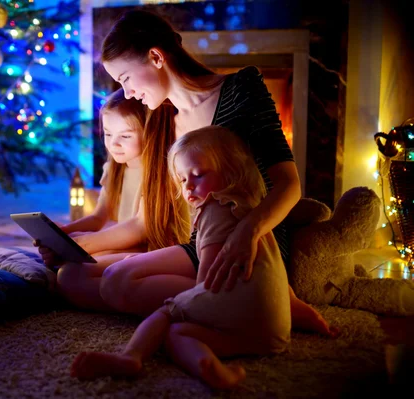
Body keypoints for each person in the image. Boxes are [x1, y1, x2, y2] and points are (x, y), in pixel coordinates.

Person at [96, 9, 335, 336]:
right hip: (201, 246)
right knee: (106, 282)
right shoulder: (164, 121)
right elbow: (154, 217)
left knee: (118, 285)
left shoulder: (241, 89)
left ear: (155, 56)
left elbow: (289, 185)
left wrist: (246, 233)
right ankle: (250, 303)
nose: (126, 93)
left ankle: (266, 296)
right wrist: (82, 243)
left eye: (125, 78)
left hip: (250, 242)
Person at [71, 127, 291, 389]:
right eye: (182, 180)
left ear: (231, 171)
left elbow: (206, 283)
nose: (188, 187)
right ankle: (209, 367)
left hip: (237, 311)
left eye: (197, 175)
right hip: (273, 331)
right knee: (178, 335)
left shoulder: (215, 210)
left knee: (167, 316)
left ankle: (130, 357)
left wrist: (181, 303)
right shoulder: (254, 210)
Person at [37, 87, 189, 311]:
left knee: (70, 275)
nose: (114, 144)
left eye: (125, 136)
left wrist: (79, 244)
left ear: (149, 132)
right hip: (129, 247)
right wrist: (65, 234)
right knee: (73, 260)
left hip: (152, 250)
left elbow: (140, 228)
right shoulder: (114, 168)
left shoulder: (161, 171)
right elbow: (98, 218)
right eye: (108, 134)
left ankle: (160, 298)